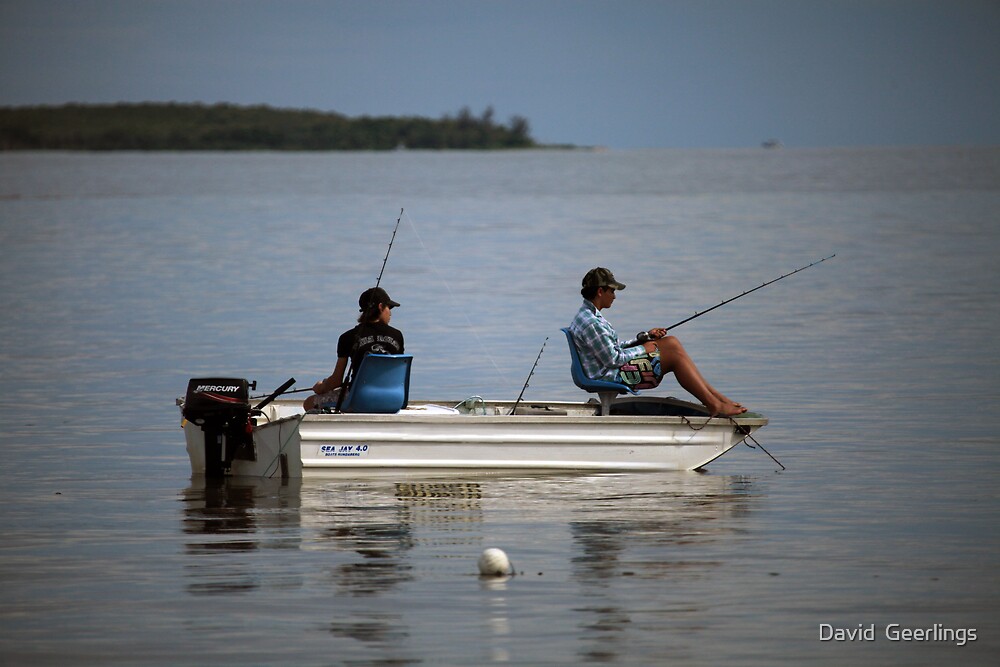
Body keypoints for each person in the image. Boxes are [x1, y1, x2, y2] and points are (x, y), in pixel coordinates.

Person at [568, 267, 746, 417]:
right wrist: (642, 349)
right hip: (610, 374)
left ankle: (717, 399)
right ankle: (714, 403)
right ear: (600, 291)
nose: (614, 296)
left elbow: (611, 348)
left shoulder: (587, 316)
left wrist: (644, 338)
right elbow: (613, 360)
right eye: (612, 291)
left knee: (671, 343)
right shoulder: (593, 323)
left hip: (606, 369)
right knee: (674, 355)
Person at [303, 286, 405, 411]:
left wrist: (321, 387)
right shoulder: (397, 336)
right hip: (394, 399)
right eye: (389, 307)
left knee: (308, 403)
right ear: (380, 306)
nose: (390, 312)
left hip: (360, 398)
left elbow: (336, 380)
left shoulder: (347, 337)